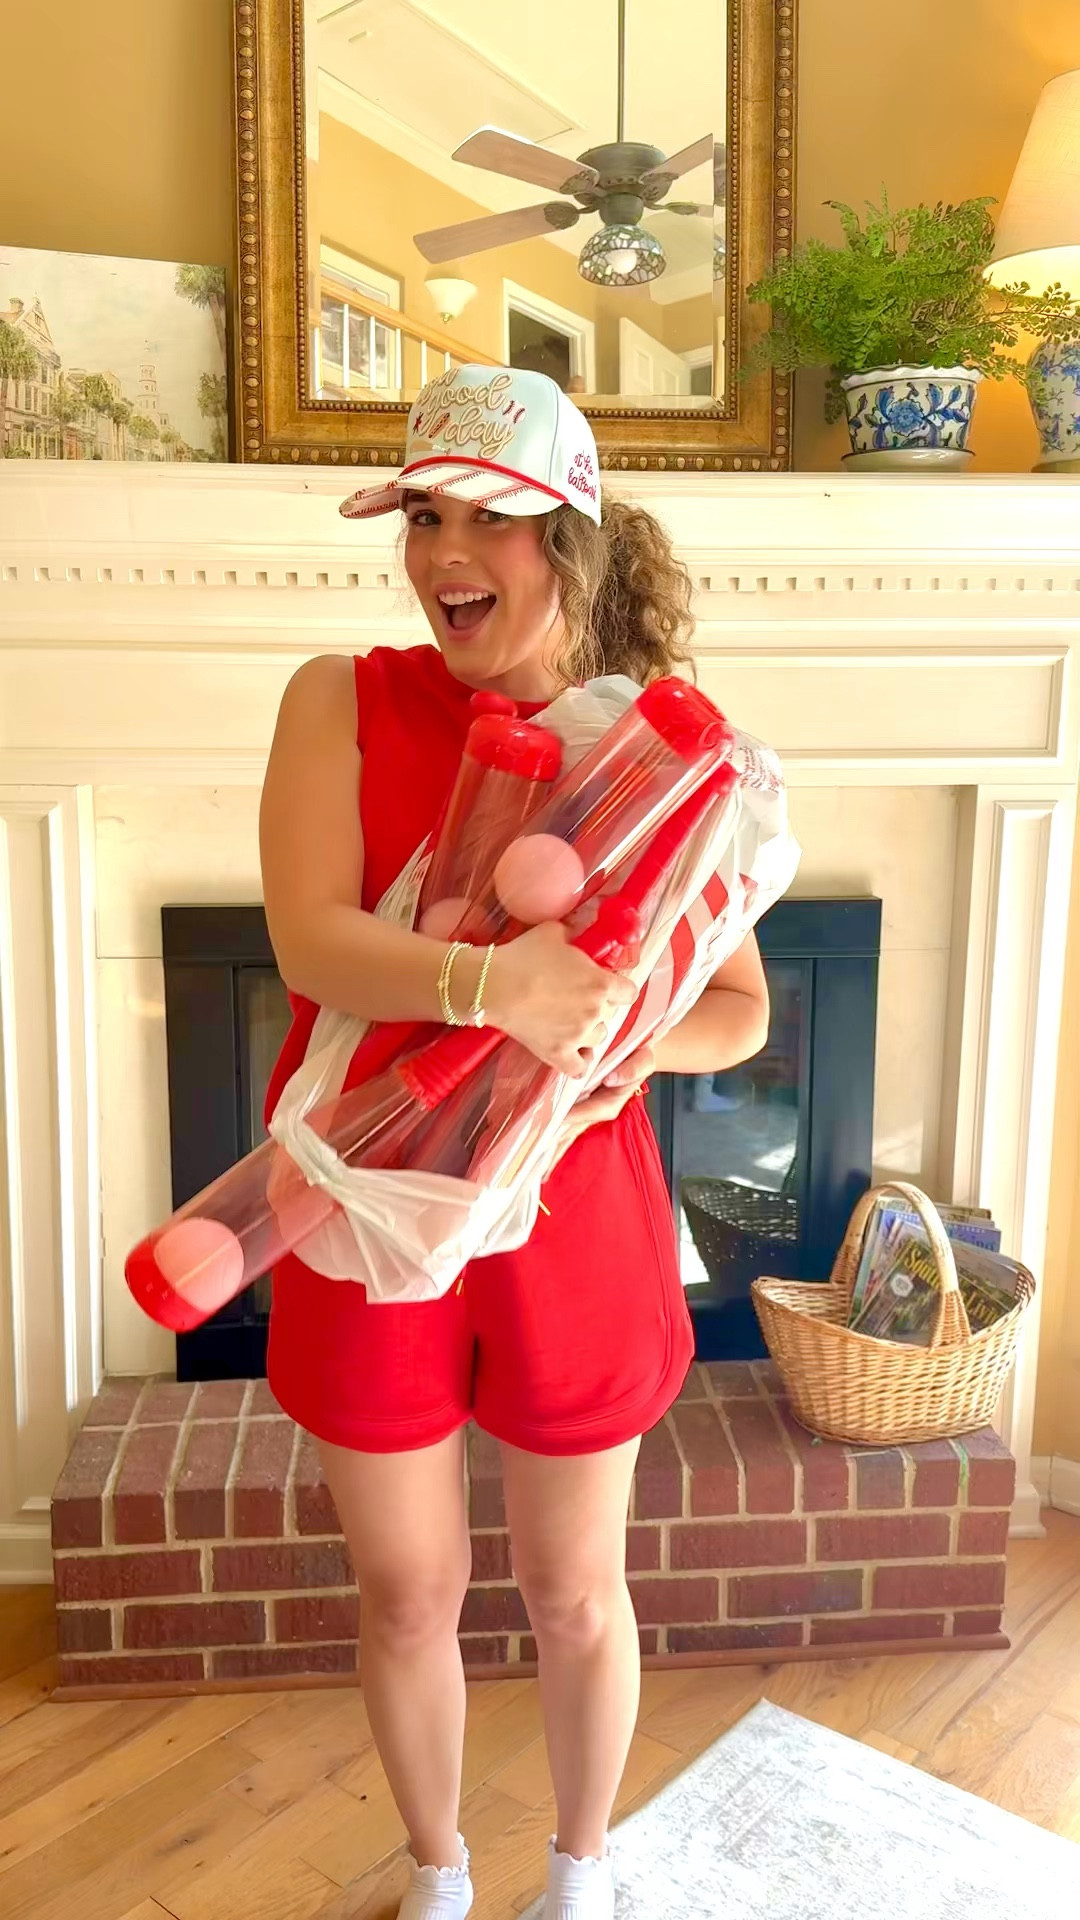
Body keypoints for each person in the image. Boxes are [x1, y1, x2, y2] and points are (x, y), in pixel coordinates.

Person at [259, 365, 770, 1920]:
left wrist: (617, 1036)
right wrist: (497, 983)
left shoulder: (671, 749)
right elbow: (309, 943)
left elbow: (736, 1008)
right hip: (360, 1194)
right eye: (424, 514)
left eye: (492, 517)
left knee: (572, 1590)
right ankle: (438, 1874)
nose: (440, 552)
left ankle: (580, 1874)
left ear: (578, 542)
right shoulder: (335, 697)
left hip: (568, 1208)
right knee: (408, 1592)